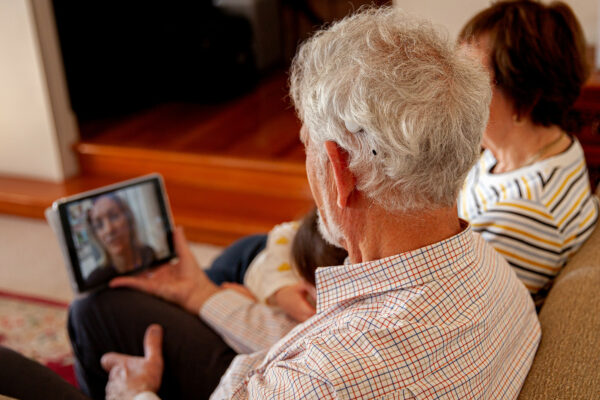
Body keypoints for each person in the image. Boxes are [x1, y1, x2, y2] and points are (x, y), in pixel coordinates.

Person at [65, 7, 540, 399]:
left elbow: (325, 371)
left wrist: (136, 394)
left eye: (305, 143)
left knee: (92, 314)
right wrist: (201, 297)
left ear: (340, 171)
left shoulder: (319, 382)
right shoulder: (498, 278)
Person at [457, 0, 598, 306]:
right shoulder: (526, 152)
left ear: (524, 99)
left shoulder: (527, 217)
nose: (456, 93)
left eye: (471, 79)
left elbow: (458, 309)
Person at [84, 194, 156, 287]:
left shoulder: (148, 253)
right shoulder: (95, 280)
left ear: (129, 219)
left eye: (114, 216)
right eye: (99, 225)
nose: (109, 229)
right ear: (96, 236)